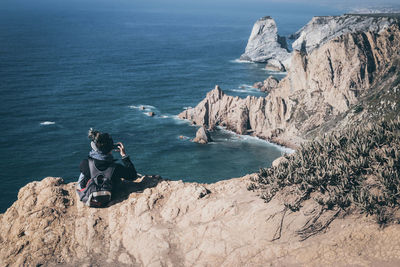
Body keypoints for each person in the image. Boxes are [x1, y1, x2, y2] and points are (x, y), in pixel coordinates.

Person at [76, 129, 137, 206]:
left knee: (83, 174)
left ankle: (82, 192)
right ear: (111, 148)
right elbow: (133, 175)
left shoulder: (85, 163)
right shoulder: (116, 168)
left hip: (89, 197)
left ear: (95, 147)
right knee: (116, 178)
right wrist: (124, 156)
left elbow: (83, 170)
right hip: (108, 197)